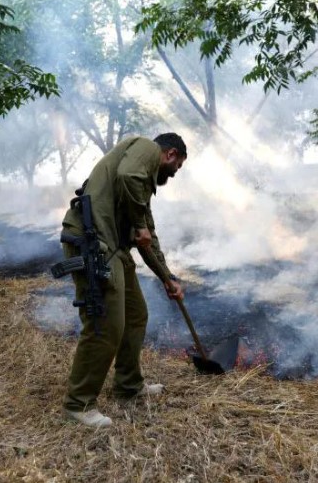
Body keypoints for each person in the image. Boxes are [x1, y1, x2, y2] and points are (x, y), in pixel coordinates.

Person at [60, 133, 187, 428]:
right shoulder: (146, 148)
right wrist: (140, 226)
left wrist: (168, 278)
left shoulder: (138, 193)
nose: (173, 173)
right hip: (94, 244)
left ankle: (129, 386)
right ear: (169, 154)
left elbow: (147, 240)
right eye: (176, 167)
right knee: (106, 325)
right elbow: (129, 175)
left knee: (135, 315)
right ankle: (78, 404)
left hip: (113, 248)